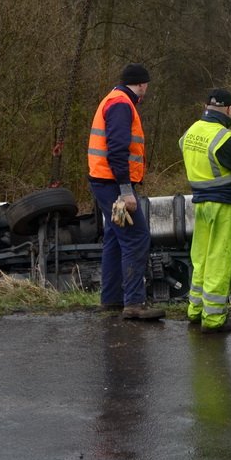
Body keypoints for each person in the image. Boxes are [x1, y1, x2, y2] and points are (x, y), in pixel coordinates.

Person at [88, 63, 165, 320]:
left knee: (114, 237)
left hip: (103, 181)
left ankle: (111, 300)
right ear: (142, 84)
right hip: (113, 183)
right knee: (136, 237)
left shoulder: (113, 99)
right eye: (147, 86)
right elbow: (118, 150)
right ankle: (133, 303)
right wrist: (125, 191)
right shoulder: (122, 104)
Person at [179, 88, 231, 334]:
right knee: (221, 260)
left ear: (206, 106)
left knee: (201, 259)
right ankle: (214, 318)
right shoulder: (226, 139)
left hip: (200, 204)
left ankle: (195, 310)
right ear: (229, 110)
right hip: (225, 205)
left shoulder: (190, 132)